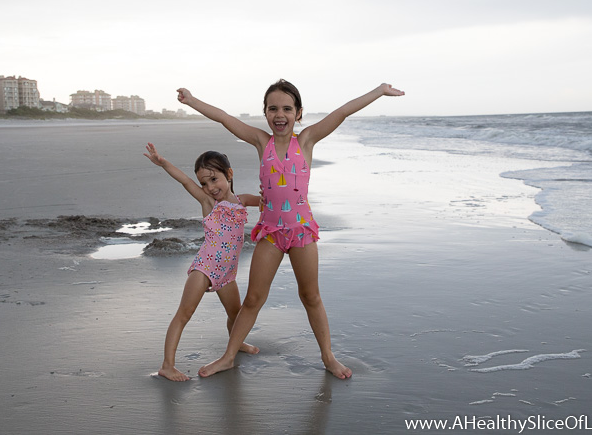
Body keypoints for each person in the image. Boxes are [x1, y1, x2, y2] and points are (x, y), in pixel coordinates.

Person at [177, 79, 405, 379]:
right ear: (265, 113)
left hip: (301, 231)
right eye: (273, 109)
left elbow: (343, 112)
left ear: (298, 113)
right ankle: (229, 356)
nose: (279, 114)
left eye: (287, 108)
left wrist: (379, 91)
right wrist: (192, 101)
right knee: (254, 299)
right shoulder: (262, 142)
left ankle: (328, 357)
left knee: (311, 296)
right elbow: (224, 118)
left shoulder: (307, 140)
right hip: (270, 233)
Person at [144, 143, 261, 381]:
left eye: (214, 179)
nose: (209, 187)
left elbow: (268, 200)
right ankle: (167, 365)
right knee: (184, 313)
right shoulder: (210, 204)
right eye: (204, 183)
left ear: (229, 173)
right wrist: (163, 162)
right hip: (204, 268)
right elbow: (185, 181)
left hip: (227, 273)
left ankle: (236, 343)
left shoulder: (241, 201)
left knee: (236, 313)